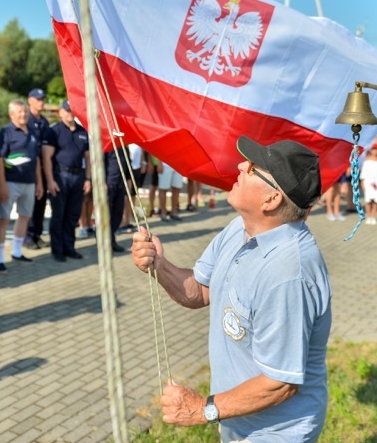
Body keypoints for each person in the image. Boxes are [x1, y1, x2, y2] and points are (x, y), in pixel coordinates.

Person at [132, 136, 331, 441]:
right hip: (239, 421)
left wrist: (203, 409)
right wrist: (159, 264)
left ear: (271, 199)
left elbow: (280, 383)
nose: (241, 165)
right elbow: (200, 291)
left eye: (252, 168)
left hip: (277, 433)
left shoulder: (289, 273)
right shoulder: (240, 228)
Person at [0, 99, 44, 270]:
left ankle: (16, 251)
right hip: (10, 181)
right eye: (20, 112)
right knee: (4, 219)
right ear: (11, 114)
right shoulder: (5, 132)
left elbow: (36, 159)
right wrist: (1, 184)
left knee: (24, 216)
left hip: (29, 182)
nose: (24, 115)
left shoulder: (32, 132)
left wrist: (39, 182)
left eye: (25, 112)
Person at [42, 100, 91, 262]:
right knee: (59, 215)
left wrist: (88, 179)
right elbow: (46, 158)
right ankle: (57, 250)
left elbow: (88, 159)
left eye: (72, 110)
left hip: (78, 177)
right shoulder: (53, 131)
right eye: (67, 110)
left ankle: (69, 247)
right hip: (60, 177)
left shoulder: (82, 132)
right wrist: (50, 181)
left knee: (73, 215)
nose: (70, 113)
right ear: (61, 112)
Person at [26, 89, 51, 248]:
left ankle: (37, 234)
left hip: (43, 166)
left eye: (42, 99)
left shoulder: (44, 122)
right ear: (30, 100)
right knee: (30, 202)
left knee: (41, 202)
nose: (41, 102)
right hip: (29, 168)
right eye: (38, 99)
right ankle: (28, 237)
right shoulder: (25, 119)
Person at [103, 143, 130, 254]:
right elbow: (101, 163)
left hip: (120, 183)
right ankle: (106, 242)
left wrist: (128, 179)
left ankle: (111, 238)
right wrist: (103, 181)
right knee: (107, 214)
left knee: (117, 213)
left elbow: (128, 163)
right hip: (109, 183)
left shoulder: (123, 145)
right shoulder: (106, 145)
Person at [360, 144, 377, 225]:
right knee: (368, 200)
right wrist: (362, 182)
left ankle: (373, 216)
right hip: (368, 182)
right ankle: (368, 216)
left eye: (376, 149)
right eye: (373, 149)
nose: (375, 151)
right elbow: (363, 173)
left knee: (375, 200)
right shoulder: (366, 161)